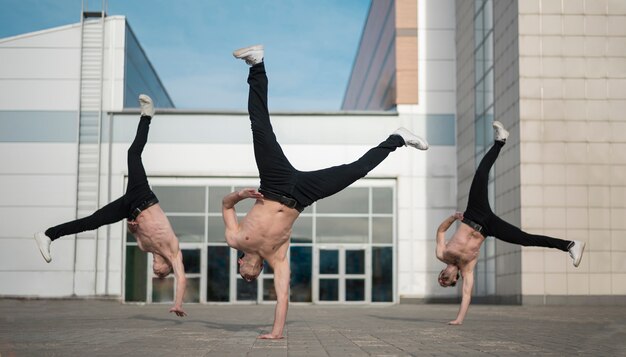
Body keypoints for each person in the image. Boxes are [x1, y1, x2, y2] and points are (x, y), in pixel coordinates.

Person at [222, 45, 429, 339]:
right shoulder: (276, 258)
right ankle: (397, 138)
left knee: (260, 127)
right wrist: (277, 333)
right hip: (302, 196)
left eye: (244, 274)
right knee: (355, 170)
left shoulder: (235, 238)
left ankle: (257, 65)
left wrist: (239, 196)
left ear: (242, 262)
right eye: (250, 280)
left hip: (273, 183)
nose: (248, 277)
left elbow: (225, 206)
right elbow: (283, 296)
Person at [34, 95, 187, 317]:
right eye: (161, 272)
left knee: (91, 222)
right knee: (132, 154)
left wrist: (133, 227)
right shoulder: (173, 251)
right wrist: (178, 303)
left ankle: (47, 235)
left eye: (156, 272)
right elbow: (181, 278)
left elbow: (133, 228)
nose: (155, 270)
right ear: (167, 266)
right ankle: (147, 116)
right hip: (143, 196)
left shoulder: (145, 247)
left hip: (129, 207)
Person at [435, 120, 585, 325]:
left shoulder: (442, 254)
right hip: (488, 227)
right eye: (447, 283)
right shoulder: (467, 268)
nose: (444, 280)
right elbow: (467, 295)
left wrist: (452, 218)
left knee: (480, 174)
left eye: (442, 279)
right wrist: (459, 320)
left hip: (473, 214)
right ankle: (570, 245)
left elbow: (440, 231)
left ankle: (500, 141)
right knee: (525, 239)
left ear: (442, 273)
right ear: (455, 280)